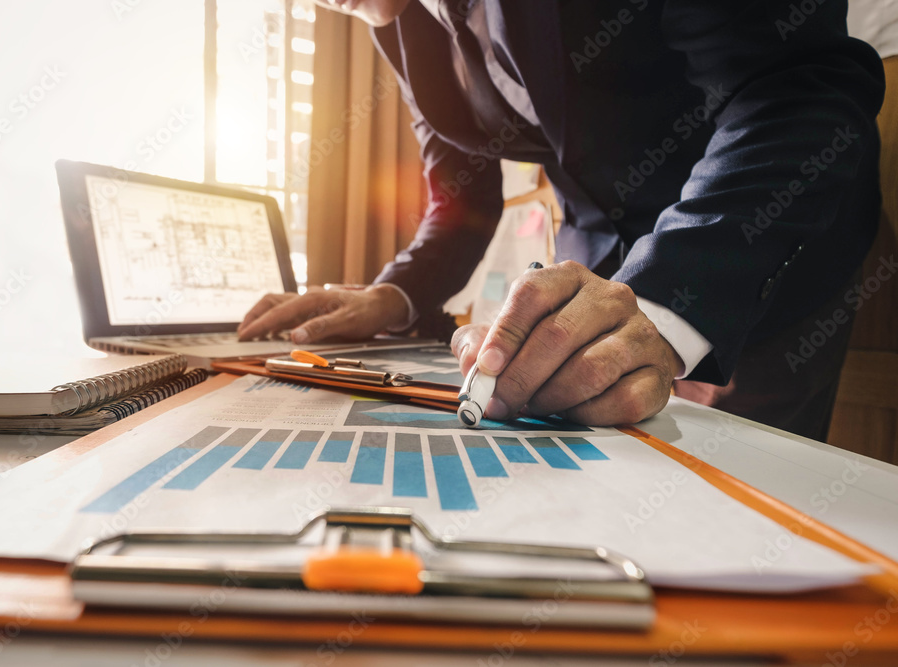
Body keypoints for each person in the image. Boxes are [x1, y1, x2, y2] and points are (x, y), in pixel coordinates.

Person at [239, 0, 885, 439]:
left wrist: (663, 307)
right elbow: (459, 197)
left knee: (745, 558)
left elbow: (795, 91)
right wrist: (396, 291)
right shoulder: (401, 20)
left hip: (753, 256)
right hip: (600, 267)